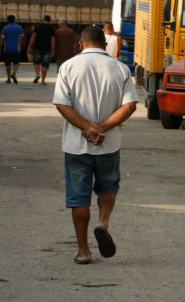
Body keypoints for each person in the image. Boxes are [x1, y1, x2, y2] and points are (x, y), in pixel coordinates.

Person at [53, 25, 138, 264]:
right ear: (105, 44)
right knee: (108, 187)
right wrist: (102, 128)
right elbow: (130, 105)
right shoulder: (120, 68)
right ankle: (103, 223)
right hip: (108, 144)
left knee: (79, 199)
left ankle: (83, 251)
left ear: (81, 44)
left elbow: (62, 104)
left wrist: (87, 128)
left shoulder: (68, 67)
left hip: (76, 146)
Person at [28, 15, 56, 85]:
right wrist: (52, 50)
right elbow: (52, 40)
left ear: (43, 20)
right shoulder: (51, 29)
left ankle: (37, 75)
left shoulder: (38, 27)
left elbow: (33, 37)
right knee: (45, 65)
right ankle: (43, 81)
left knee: (37, 63)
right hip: (47, 50)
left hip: (37, 48)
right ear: (49, 21)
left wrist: (29, 46)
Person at [0, 15, 24, 84]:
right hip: (16, 48)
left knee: (8, 64)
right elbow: (21, 39)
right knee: (16, 63)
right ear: (14, 20)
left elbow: (2, 39)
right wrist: (20, 46)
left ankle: (9, 78)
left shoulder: (5, 28)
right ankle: (14, 73)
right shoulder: (19, 28)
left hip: (7, 49)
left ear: (8, 20)